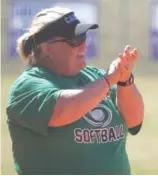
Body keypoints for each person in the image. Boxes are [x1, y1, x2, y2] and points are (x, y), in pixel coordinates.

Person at [6, 7, 144, 175]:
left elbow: (134, 122)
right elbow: (61, 111)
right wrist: (109, 80)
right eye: (75, 40)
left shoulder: (96, 77)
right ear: (46, 48)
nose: (84, 45)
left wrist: (125, 79)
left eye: (83, 37)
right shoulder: (27, 86)